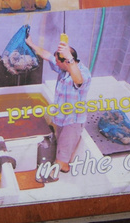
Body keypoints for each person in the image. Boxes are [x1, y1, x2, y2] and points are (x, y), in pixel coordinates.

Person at [25, 32, 94, 172]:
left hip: (72, 121)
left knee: (61, 159)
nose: (55, 63)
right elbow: (47, 55)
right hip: (62, 117)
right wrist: (31, 43)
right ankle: (67, 152)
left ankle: (62, 166)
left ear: (66, 61)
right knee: (61, 143)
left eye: (58, 62)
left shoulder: (83, 73)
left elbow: (78, 81)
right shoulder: (64, 69)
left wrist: (68, 57)